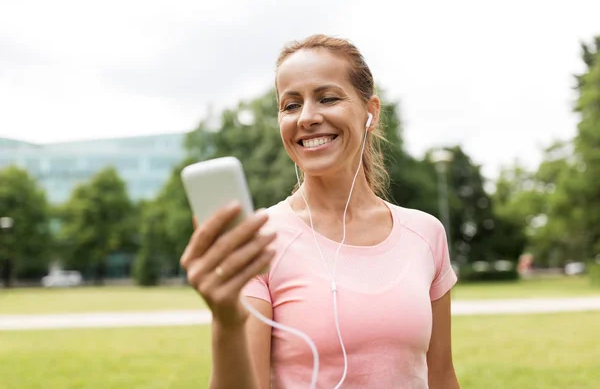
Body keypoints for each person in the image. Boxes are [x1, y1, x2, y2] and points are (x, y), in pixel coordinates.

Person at [180, 34, 460, 389]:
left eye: (327, 98)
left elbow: (442, 376)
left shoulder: (425, 234)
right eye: (291, 105)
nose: (307, 118)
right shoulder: (259, 238)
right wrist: (227, 322)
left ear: (370, 112)